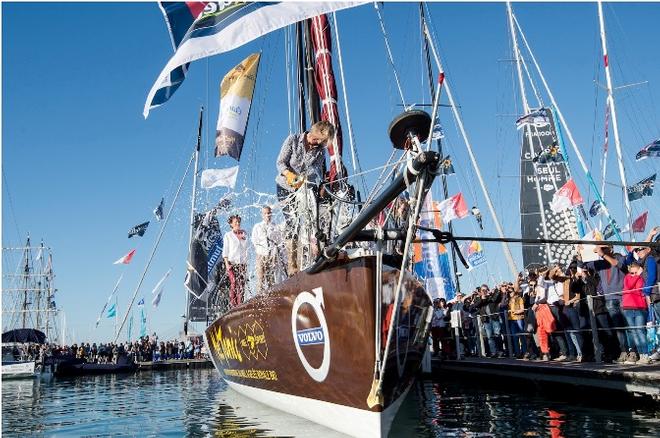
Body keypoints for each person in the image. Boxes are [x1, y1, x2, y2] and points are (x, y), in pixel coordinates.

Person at [275, 120, 335, 276]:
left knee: (310, 221)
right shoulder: (293, 140)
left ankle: (316, 259)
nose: (321, 144)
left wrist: (319, 183)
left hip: (304, 188)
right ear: (316, 134)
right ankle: (292, 265)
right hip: (284, 187)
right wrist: (289, 174)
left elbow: (317, 172)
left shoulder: (320, 151)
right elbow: (281, 163)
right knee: (292, 221)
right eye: (321, 141)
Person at [621, 261, 650, 364]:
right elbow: (629, 286)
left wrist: (637, 276)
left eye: (635, 272)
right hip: (628, 307)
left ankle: (645, 355)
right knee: (634, 332)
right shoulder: (627, 277)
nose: (633, 275)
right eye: (631, 273)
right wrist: (636, 276)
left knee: (640, 331)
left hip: (639, 307)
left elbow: (638, 290)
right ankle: (640, 355)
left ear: (639, 271)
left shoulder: (641, 278)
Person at [251, 205, 282, 294]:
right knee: (260, 278)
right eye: (265, 213)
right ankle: (259, 297)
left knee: (271, 279)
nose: (267, 215)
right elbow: (254, 240)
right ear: (262, 215)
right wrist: (260, 251)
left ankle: (270, 297)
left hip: (272, 255)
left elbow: (279, 240)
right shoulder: (257, 226)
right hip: (261, 254)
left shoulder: (275, 226)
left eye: (269, 213)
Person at [222, 215, 249, 307]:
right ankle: (233, 304)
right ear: (231, 224)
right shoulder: (228, 235)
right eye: (235, 222)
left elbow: (247, 248)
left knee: (241, 284)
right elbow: (225, 251)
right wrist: (226, 264)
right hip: (231, 263)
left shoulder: (244, 233)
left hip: (242, 263)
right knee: (234, 282)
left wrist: (246, 262)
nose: (237, 223)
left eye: (238, 221)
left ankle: (240, 303)